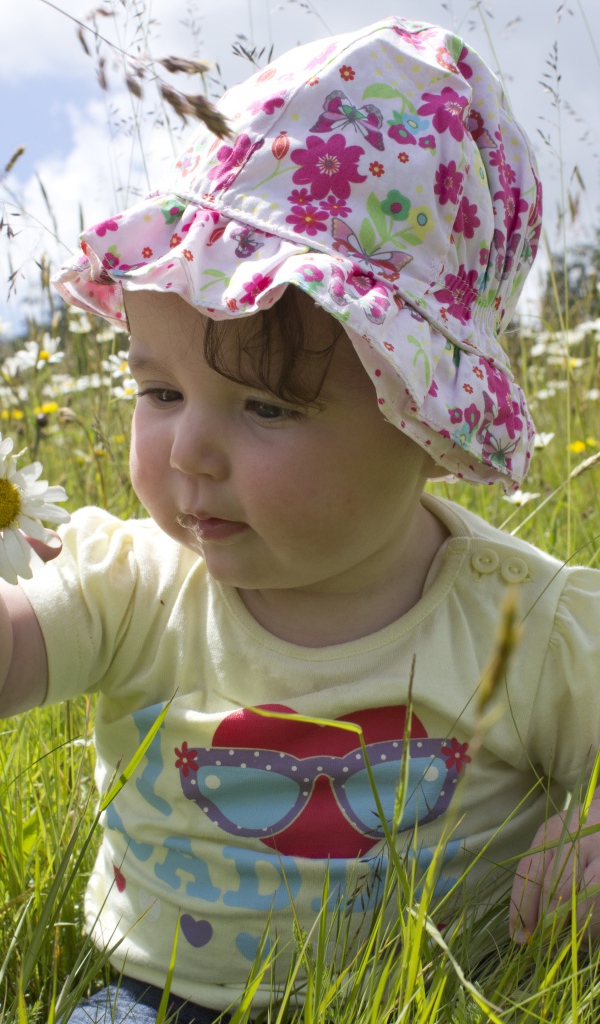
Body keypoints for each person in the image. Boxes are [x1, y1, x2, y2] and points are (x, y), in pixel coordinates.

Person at [2, 13, 600, 1023]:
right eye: (160, 392)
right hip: (153, 1000)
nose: (187, 452)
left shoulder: (524, 622)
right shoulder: (136, 583)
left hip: (431, 1000)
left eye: (268, 406)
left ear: (426, 426)